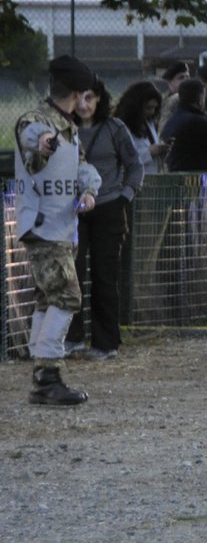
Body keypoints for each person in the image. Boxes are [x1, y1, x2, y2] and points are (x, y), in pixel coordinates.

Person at [13, 55, 102, 406]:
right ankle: (47, 376)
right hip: (45, 227)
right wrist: (45, 142)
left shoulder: (68, 127)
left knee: (48, 298)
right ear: (78, 94)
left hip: (60, 226)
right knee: (67, 297)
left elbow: (77, 167)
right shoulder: (39, 122)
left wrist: (89, 190)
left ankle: (40, 372)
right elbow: (36, 138)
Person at [66, 78, 144, 362]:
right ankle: (71, 338)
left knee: (104, 276)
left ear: (100, 99)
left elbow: (135, 165)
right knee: (70, 274)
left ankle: (105, 342)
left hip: (109, 206)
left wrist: (126, 195)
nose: (84, 105)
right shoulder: (65, 129)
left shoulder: (114, 129)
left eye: (90, 98)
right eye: (79, 98)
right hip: (72, 210)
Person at [114, 80, 167, 173]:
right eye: (148, 108)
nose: (152, 112)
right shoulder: (120, 126)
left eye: (155, 108)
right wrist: (149, 152)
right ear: (136, 106)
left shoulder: (149, 123)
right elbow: (122, 159)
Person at [156, 60, 189, 131]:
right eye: (181, 78)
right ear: (169, 81)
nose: (186, 80)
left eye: (187, 77)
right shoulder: (161, 102)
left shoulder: (191, 100)